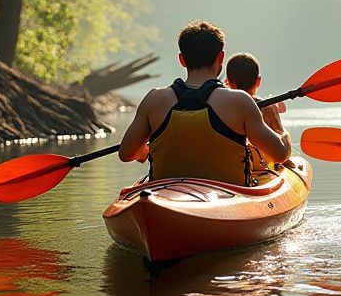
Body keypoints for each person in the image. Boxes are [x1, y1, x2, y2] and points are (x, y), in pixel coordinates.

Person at [119, 21, 291, 184]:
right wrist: (282, 133)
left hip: (165, 192)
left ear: (182, 60)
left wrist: (146, 152)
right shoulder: (239, 102)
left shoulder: (154, 99)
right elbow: (280, 155)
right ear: (221, 57)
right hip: (228, 194)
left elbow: (126, 154)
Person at [225, 52, 287, 174]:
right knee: (283, 135)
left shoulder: (222, 106)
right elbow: (279, 133)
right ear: (258, 81)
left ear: (228, 82)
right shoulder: (268, 107)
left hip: (232, 166)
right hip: (260, 164)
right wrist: (285, 134)